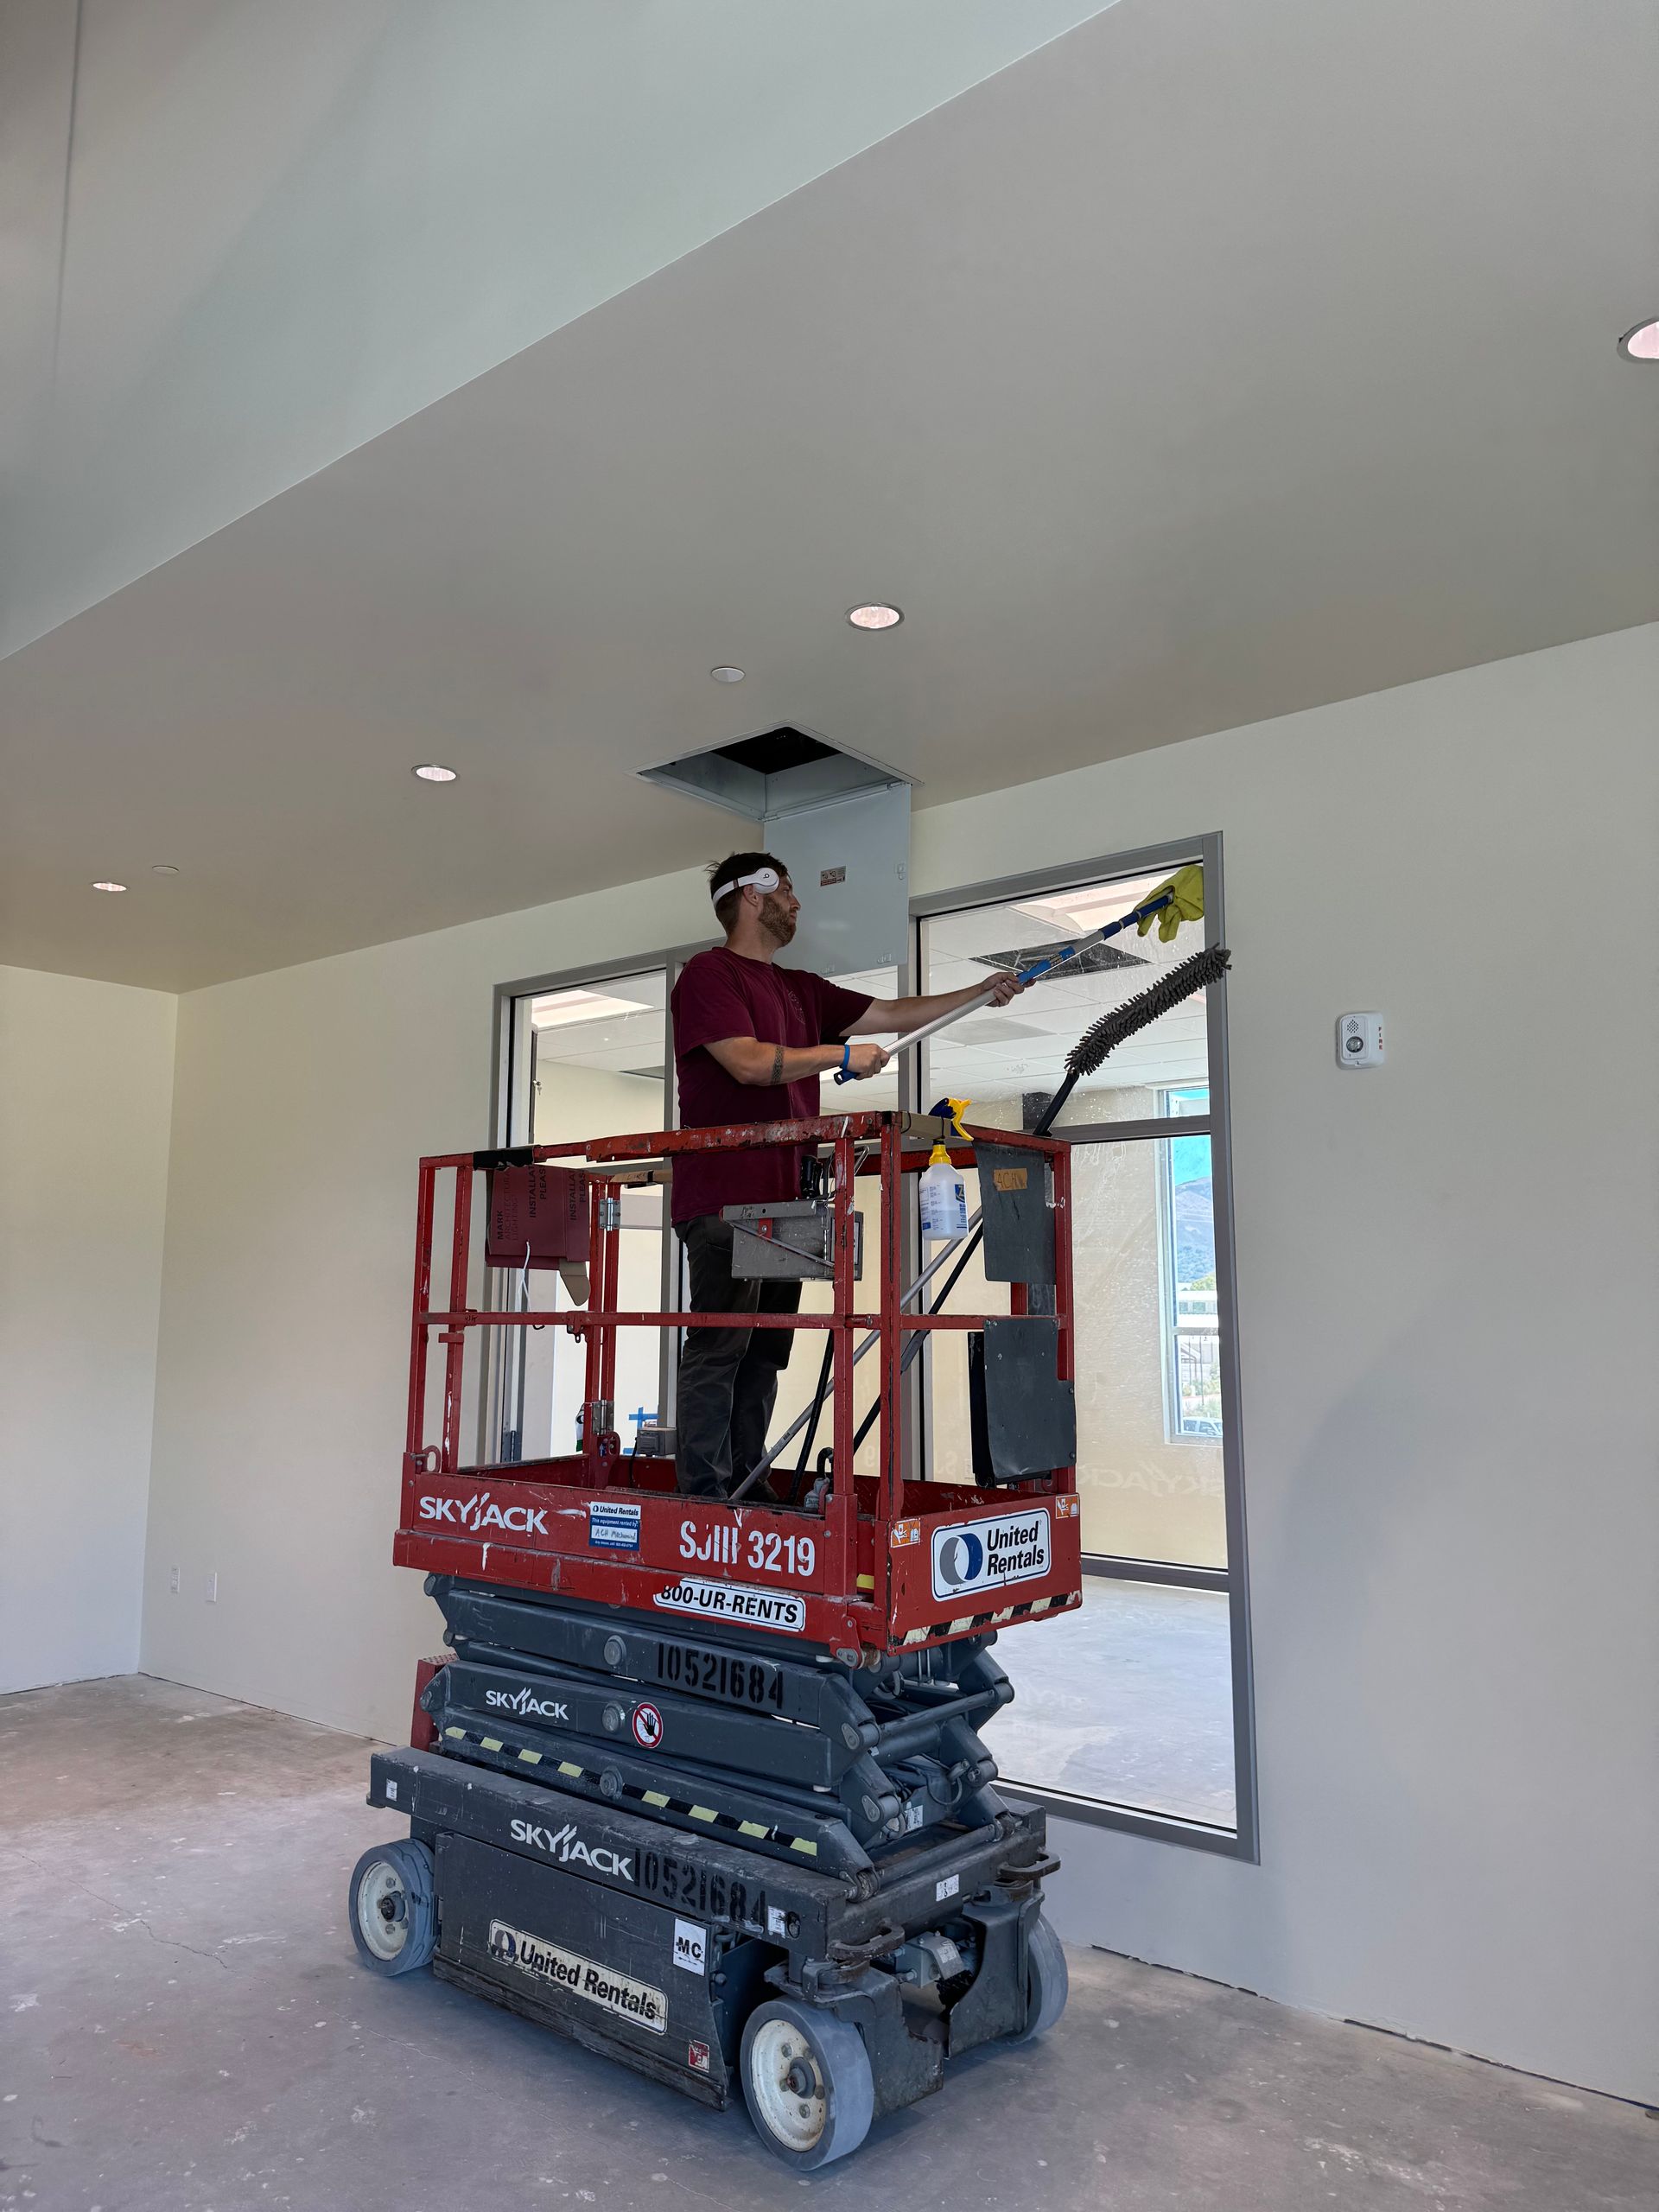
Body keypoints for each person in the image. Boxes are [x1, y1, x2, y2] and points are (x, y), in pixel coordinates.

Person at [669, 851, 1026, 1503]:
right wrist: (838, 1054)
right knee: (723, 1344)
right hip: (724, 1198)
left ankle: (746, 1486)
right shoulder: (708, 974)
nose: (798, 904)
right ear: (754, 894)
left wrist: (979, 992)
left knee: (766, 1354)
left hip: (784, 1201)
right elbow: (746, 1064)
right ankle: (705, 1496)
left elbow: (890, 1015)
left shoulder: (801, 988)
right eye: (790, 890)